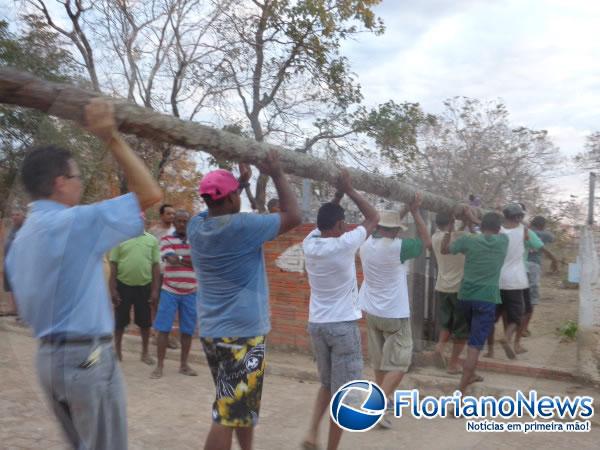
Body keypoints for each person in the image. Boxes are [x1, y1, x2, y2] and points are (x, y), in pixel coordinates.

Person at [5, 99, 162, 449]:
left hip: (48, 358)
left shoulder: (20, 239)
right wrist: (110, 137)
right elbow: (150, 193)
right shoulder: (73, 223)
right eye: (76, 177)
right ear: (61, 182)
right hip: (86, 358)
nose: (80, 184)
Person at [188, 151, 301, 450]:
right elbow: (295, 216)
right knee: (227, 413)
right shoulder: (243, 228)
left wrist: (239, 182)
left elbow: (218, 202)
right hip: (243, 334)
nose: (238, 198)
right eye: (235, 195)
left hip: (213, 332)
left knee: (239, 404)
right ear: (229, 200)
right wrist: (276, 172)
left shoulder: (195, 227)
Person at [302, 170, 379, 450]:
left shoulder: (310, 244)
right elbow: (373, 218)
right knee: (343, 394)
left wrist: (338, 195)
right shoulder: (344, 244)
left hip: (318, 326)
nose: (346, 228)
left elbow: (324, 220)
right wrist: (351, 190)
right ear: (340, 224)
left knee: (326, 384)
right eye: (343, 224)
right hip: (342, 327)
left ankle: (312, 432)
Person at [358, 194, 430, 429]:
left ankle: (382, 408)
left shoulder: (365, 244)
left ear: (377, 227)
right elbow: (426, 241)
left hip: (371, 310)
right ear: (397, 230)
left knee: (380, 362)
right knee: (400, 363)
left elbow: (385, 229)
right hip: (395, 314)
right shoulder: (400, 247)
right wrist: (416, 212)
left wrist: (404, 211)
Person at [441, 212, 508, 399]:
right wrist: (474, 220)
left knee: (471, 338)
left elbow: (445, 249)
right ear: (498, 227)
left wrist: (450, 229)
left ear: (482, 225)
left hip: (465, 297)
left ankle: (470, 375)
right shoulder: (503, 241)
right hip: (486, 299)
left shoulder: (469, 241)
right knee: (475, 346)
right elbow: (487, 232)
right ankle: (460, 394)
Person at [487, 203, 543, 359]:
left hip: (497, 280)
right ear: (519, 217)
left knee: (492, 318)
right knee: (516, 317)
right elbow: (536, 245)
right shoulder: (524, 231)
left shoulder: (498, 232)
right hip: (516, 281)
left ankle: (490, 351)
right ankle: (507, 337)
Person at [151, 209, 198, 379]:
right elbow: (170, 259)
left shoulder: (197, 241)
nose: (181, 224)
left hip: (191, 291)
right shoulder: (166, 239)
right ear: (174, 223)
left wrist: (180, 259)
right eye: (178, 221)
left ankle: (184, 365)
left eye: (185, 221)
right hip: (169, 290)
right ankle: (159, 366)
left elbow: (199, 263)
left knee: (187, 330)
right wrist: (190, 262)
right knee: (163, 329)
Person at [431, 209, 476, 375]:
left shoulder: (435, 238)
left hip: (442, 286)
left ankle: (439, 348)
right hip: (460, 289)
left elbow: (454, 233)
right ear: (451, 223)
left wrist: (459, 222)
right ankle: (453, 364)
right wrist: (469, 220)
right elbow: (471, 237)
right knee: (461, 330)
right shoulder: (461, 238)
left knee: (446, 323)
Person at [109, 227, 160, 364]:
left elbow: (156, 265)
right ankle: (117, 352)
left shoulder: (152, 240)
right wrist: (112, 288)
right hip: (123, 285)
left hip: (145, 286)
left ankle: (145, 353)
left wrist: (155, 290)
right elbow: (113, 264)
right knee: (119, 321)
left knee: (145, 322)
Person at [149, 203, 180, 349]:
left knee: (170, 304)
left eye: (173, 214)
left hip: (173, 272)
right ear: (161, 215)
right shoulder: (153, 231)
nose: (172, 216)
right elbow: (148, 249)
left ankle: (167, 335)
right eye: (168, 213)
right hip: (157, 271)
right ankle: (156, 333)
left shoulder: (178, 231)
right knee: (155, 301)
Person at [523, 215, 559, 336]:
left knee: (519, 295)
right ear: (543, 225)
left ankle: (514, 326)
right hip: (533, 266)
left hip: (520, 264)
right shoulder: (544, 234)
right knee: (532, 297)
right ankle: (524, 328)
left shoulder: (525, 231)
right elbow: (553, 238)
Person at [3, 207, 25, 316]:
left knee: (19, 286)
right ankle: (13, 309)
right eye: (13, 215)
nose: (14, 217)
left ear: (23, 216)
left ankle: (22, 312)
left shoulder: (26, 229)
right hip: (8, 261)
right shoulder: (12, 229)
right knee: (9, 285)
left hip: (20, 263)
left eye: (17, 215)